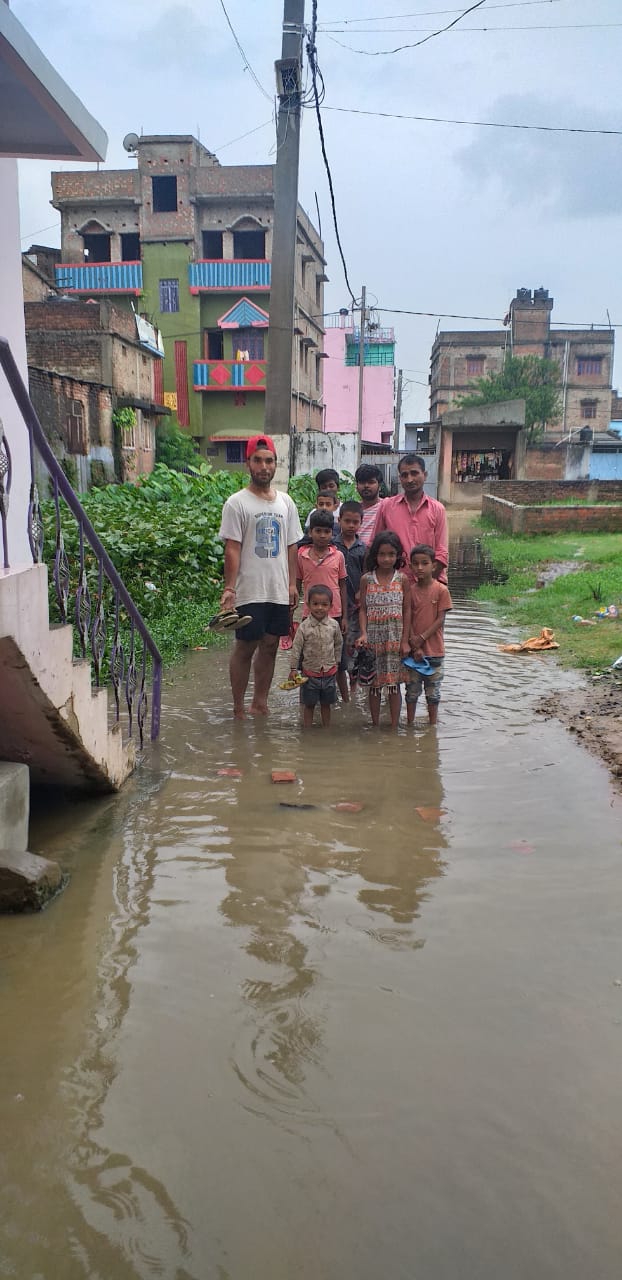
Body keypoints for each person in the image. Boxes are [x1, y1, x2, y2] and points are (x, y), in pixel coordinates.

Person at [218, 433, 302, 718]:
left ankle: (260, 703)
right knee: (246, 646)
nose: (264, 466)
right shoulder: (237, 503)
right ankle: (239, 707)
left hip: (278, 590)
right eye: (258, 460)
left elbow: (292, 547)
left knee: (270, 647)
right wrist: (230, 588)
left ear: (275, 464)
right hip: (250, 589)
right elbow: (232, 548)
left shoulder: (286, 503)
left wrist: (292, 584)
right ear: (248, 464)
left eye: (269, 461)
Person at [356, 531, 411, 729]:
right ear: (375, 556)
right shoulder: (366, 580)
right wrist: (363, 633)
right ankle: (375, 725)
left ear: (398, 556)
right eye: (382, 554)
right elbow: (362, 609)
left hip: (394, 639)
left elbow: (407, 610)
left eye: (391, 554)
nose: (386, 559)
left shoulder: (402, 580)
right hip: (373, 639)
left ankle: (395, 727)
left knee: (393, 685)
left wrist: (405, 641)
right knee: (374, 686)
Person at [371, 454, 448, 584]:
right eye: (404, 475)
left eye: (414, 473)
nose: (410, 479)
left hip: (431, 583)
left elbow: (442, 553)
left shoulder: (437, 509)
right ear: (400, 478)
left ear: (425, 475)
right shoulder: (387, 506)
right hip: (395, 584)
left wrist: (425, 584)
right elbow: (374, 545)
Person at [404, 544, 453, 727]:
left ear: (434, 566)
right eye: (415, 564)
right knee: (411, 692)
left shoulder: (441, 590)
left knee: (433, 694)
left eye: (424, 563)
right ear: (410, 566)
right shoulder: (409, 591)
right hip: (413, 653)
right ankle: (409, 724)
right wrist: (413, 644)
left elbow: (440, 619)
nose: (420, 568)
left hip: (435, 652)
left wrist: (421, 639)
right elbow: (406, 618)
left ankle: (432, 726)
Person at [289, 585, 343, 728]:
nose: (319, 608)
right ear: (308, 605)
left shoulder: (334, 626)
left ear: (331, 606)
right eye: (315, 604)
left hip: (329, 672)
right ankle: (307, 730)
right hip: (309, 674)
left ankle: (327, 729)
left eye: (324, 604)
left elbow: (338, 644)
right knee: (309, 705)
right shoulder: (304, 627)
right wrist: (293, 668)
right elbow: (296, 648)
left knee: (326, 704)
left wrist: (336, 663)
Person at [333, 500, 366, 694]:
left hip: (355, 606)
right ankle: (337, 684)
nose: (351, 525)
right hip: (334, 605)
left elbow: (367, 573)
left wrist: (363, 592)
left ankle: (353, 688)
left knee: (353, 645)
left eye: (355, 522)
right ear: (340, 520)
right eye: (347, 521)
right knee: (336, 645)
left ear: (361, 522)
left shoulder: (363, 548)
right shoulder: (332, 545)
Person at [355, 463, 384, 545]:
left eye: (371, 482)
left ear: (380, 485)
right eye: (362, 482)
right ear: (356, 486)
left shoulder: (387, 507)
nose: (366, 486)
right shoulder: (351, 510)